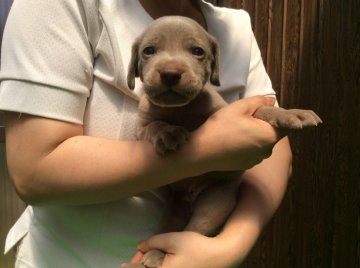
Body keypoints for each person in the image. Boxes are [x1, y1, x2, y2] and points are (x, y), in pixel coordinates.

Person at [0, 0, 292, 267]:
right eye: (150, 51)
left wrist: (227, 248)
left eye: (196, 52)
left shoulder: (235, 25)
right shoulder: (61, 5)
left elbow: (274, 145)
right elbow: (33, 172)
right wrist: (205, 148)